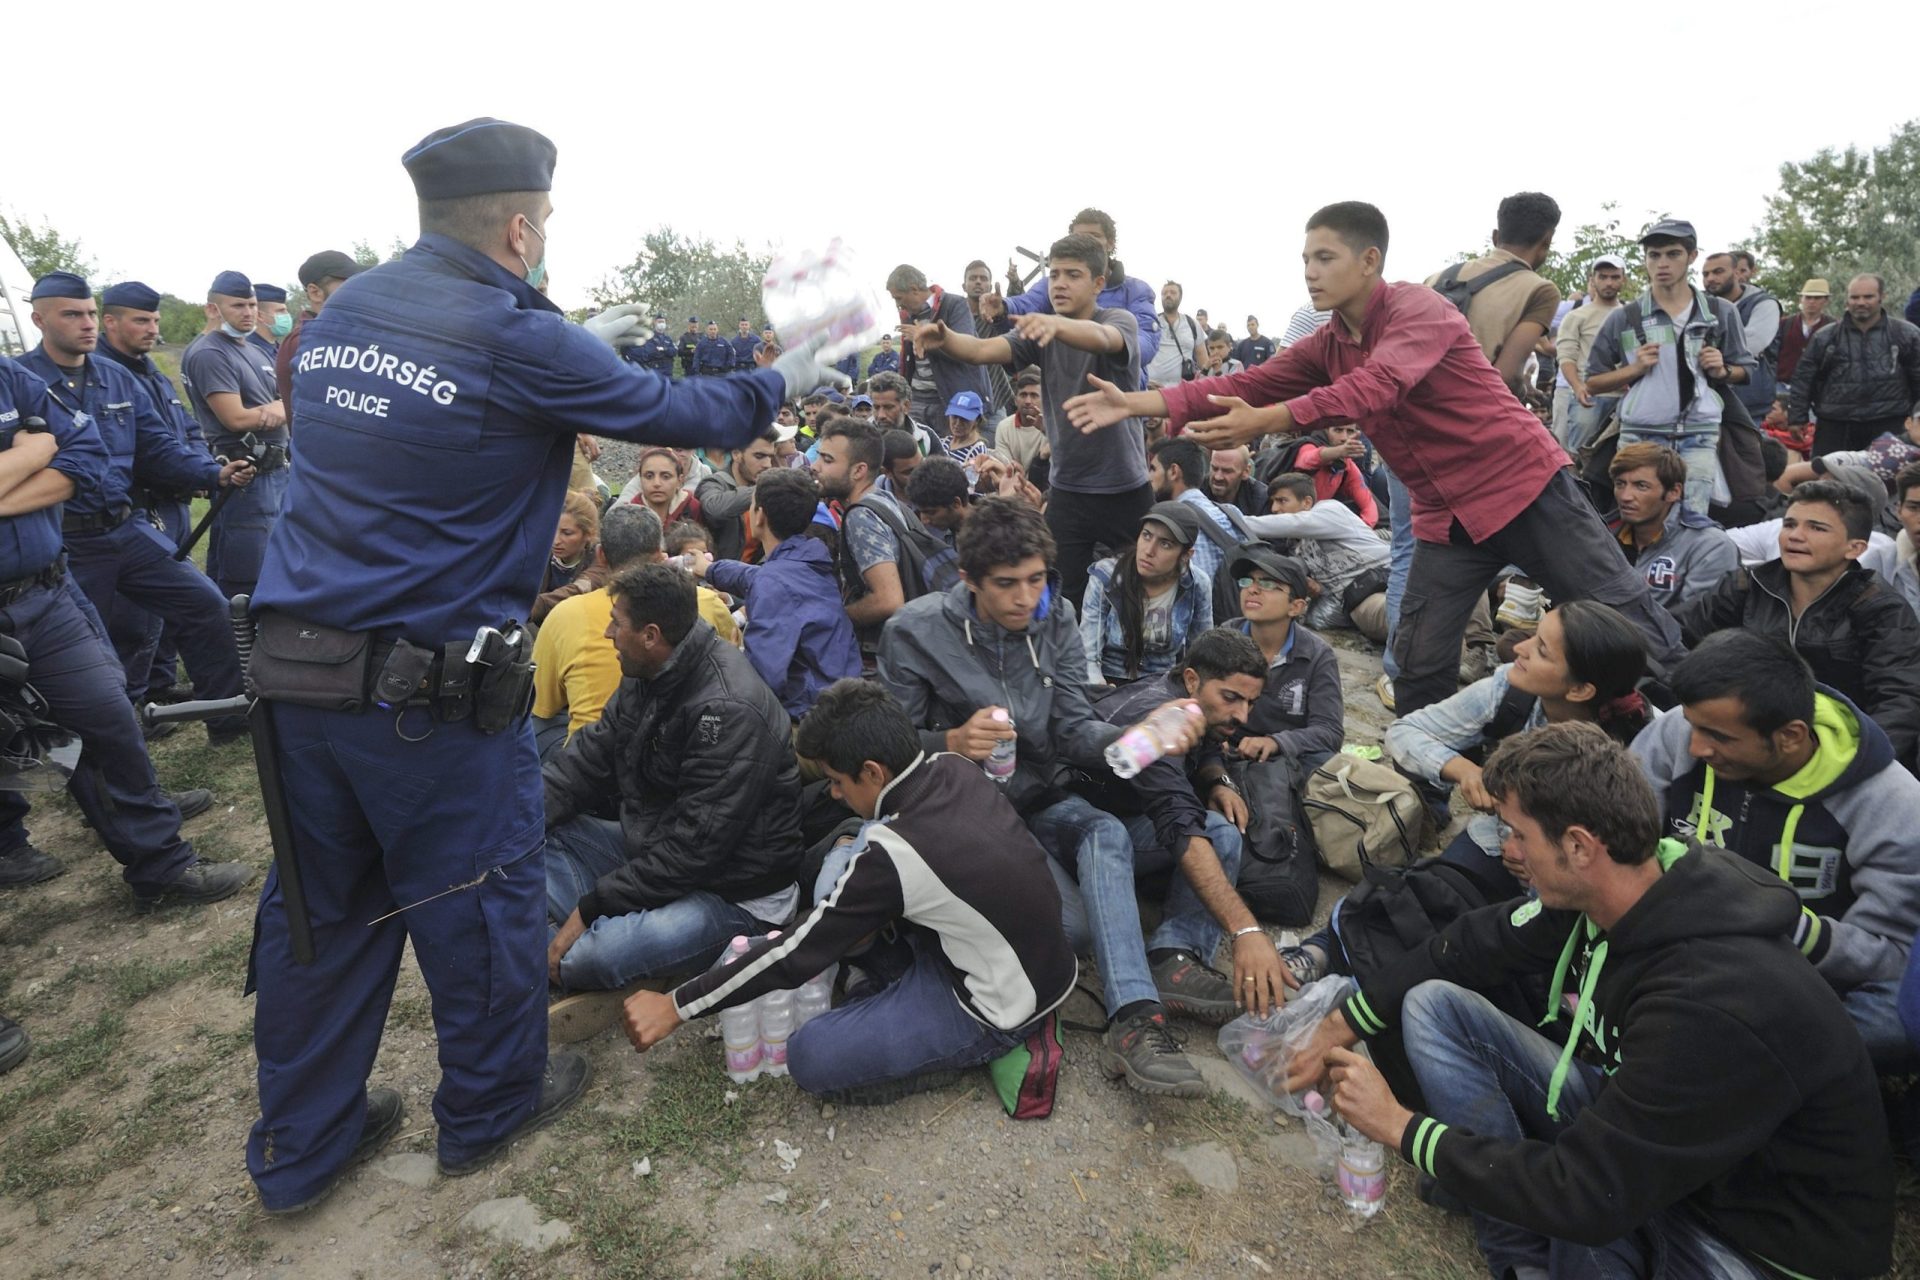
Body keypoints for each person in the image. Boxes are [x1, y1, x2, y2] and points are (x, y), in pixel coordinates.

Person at [244, 117, 845, 1211]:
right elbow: (682, 414)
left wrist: (579, 328)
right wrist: (782, 375)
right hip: (427, 702)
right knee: (479, 895)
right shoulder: (510, 333)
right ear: (521, 226)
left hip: (295, 679)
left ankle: (301, 1141)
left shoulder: (344, 315)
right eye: (547, 227)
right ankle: (488, 1104)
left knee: (319, 916)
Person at [1281, 722, 1894, 1280]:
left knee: (1583, 1216)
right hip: (1657, 1158)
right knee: (1435, 1007)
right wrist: (1340, 1022)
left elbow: (1589, 1194)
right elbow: (1467, 944)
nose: (1505, 850)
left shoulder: (1708, 999)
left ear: (1579, 845)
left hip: (1756, 1238)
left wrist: (1401, 1127)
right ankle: (1520, 1257)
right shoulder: (1618, 890)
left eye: (1517, 835)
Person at [1064, 200, 1686, 719]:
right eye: (1305, 259)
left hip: (1521, 486)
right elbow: (1255, 382)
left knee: (1624, 621)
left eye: (1325, 257)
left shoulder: (1418, 307)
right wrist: (1136, 400)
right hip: (1446, 517)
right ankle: (1433, 781)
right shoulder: (1330, 341)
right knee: (1418, 663)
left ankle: (1704, 721)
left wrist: (1273, 420)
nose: (1310, 271)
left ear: (1370, 261)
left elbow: (1378, 385)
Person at [876, 497, 1217, 1095]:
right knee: (1076, 930)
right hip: (964, 813)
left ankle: (1135, 1020)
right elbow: (886, 753)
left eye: (1035, 580)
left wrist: (1140, 735)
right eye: (1005, 584)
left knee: (1110, 830)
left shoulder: (1054, 616)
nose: (1022, 598)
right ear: (968, 580)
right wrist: (950, 739)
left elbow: (1072, 731)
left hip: (1040, 796)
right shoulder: (915, 630)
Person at [619, 679, 1078, 1104]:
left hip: (997, 1006)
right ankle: (890, 992)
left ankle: (953, 1056)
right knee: (858, 923)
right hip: (1039, 961)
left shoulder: (896, 853)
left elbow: (795, 953)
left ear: (874, 773)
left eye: (837, 781)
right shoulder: (952, 766)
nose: (834, 793)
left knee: (811, 1056)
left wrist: (674, 1005)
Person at [0, 355, 252, 904]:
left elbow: (85, 456)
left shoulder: (8, 376)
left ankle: (160, 867)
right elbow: (59, 449)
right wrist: (33, 450)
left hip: (46, 587)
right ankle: (8, 840)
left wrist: (40, 454)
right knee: (12, 738)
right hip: (59, 564)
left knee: (103, 715)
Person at [1633, 630, 1920, 1069]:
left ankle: (1737, 1060)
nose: (1694, 747)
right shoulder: (1681, 730)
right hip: (1676, 953)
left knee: (1894, 1019)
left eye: (1718, 737)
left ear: (1789, 736)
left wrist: (1786, 927)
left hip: (1809, 986)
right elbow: (1620, 833)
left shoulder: (1892, 802)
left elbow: (1891, 955)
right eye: (1692, 726)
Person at [543, 564, 804, 1034]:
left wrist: (592, 906)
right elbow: (587, 759)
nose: (607, 633)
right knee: (526, 835)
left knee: (588, 955)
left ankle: (565, 936)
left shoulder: (726, 708)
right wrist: (518, 819)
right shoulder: (646, 672)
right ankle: (558, 935)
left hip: (734, 892)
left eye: (615, 623)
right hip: (658, 853)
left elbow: (695, 850)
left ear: (650, 634)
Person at [19, 275, 254, 738]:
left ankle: (228, 720)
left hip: (124, 530)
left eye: (89, 313)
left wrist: (213, 473)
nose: (86, 324)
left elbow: (156, 446)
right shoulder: (20, 383)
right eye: (72, 314)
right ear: (38, 319)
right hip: (66, 541)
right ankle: (110, 764)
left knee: (208, 606)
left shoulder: (117, 377)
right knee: (94, 658)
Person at [909, 234, 1152, 609]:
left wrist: (1057, 326)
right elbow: (981, 350)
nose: (1060, 283)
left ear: (1098, 283)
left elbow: (1105, 338)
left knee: (1138, 592)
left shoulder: (1116, 319)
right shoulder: (1041, 330)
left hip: (1124, 487)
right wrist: (947, 337)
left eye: (1073, 274)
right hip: (1068, 489)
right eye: (1054, 274)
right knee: (1057, 596)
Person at [1674, 478, 1920, 764]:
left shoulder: (1880, 608)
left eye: (1816, 528)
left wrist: (1855, 764)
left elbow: (1899, 700)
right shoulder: (1746, 585)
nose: (1795, 536)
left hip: (1837, 753)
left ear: (1854, 548)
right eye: (1789, 524)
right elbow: (1676, 640)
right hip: (1739, 740)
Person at [93, 279, 230, 705]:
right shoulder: (102, 376)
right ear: (110, 321)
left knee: (171, 613)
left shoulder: (151, 372)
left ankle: (162, 690)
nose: (152, 328)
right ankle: (134, 701)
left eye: (154, 319)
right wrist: (210, 475)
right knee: (135, 622)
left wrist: (205, 466)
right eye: (141, 320)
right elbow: (151, 453)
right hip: (134, 508)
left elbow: (184, 430)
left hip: (171, 503)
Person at [1584, 220, 1755, 517]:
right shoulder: (1624, 317)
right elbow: (1593, 382)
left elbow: (1746, 371)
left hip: (1699, 434)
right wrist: (1634, 369)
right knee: (1634, 521)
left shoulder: (1719, 312)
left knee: (1692, 521)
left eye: (1673, 254)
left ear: (1691, 256)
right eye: (1654, 255)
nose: (1662, 263)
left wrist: (1723, 371)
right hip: (1639, 434)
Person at [686, 467, 860, 719]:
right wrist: (710, 569)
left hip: (811, 719)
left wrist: (731, 657)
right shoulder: (809, 562)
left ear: (759, 516)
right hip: (842, 698)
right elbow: (756, 576)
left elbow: (764, 678)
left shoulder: (774, 584)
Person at [178, 269, 290, 600]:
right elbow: (236, 418)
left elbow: (279, 403)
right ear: (213, 309)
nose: (248, 313)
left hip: (273, 471)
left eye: (253, 305)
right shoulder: (211, 352)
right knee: (244, 578)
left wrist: (280, 407)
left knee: (270, 565)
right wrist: (286, 406)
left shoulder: (250, 349)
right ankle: (238, 646)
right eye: (238, 305)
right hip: (246, 475)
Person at [530, 504, 662, 758]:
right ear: (659, 555)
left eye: (567, 533)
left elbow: (542, 705)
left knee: (533, 721)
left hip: (592, 760)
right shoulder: (707, 604)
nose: (557, 541)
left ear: (599, 554)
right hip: (675, 753)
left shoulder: (568, 613)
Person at [980, 207, 1161, 377]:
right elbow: (1025, 305)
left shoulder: (1136, 290)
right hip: (1065, 399)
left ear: (1111, 243)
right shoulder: (1050, 285)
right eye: (1080, 236)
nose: (1087, 242)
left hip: (1122, 399)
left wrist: (1113, 344)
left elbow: (1146, 342)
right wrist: (1003, 308)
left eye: (1094, 236)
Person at [1424, 191, 1563, 396]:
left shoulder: (1436, 278)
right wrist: (1524, 391)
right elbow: (1506, 377)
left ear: (1495, 236)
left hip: (1407, 409)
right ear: (1546, 241)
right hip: (1465, 412)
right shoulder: (1541, 291)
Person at [1218, 549, 1344, 773]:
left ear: (1296, 607)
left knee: (1326, 763)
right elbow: (1195, 697)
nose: (1253, 590)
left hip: (1289, 756)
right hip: (1230, 748)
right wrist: (1213, 736)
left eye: (1267, 584)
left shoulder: (1316, 655)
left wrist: (1276, 743)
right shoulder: (1225, 637)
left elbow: (1329, 731)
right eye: (1247, 581)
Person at [1080, 502, 1214, 686]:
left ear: (1186, 555)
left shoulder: (1197, 584)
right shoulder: (1106, 576)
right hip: (1109, 683)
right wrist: (1099, 688)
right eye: (1146, 535)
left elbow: (1201, 655)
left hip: (1164, 685)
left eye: (1165, 544)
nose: (1149, 551)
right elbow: (1088, 655)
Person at [1242, 471, 1389, 635]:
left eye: (1282, 500)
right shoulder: (1296, 546)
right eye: (1273, 502)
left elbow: (1295, 523)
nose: (1275, 509)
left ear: (1306, 502)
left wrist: (1232, 520)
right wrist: (1319, 589)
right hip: (1363, 598)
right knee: (1388, 616)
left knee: (1405, 609)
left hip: (1393, 575)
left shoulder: (1329, 510)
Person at [1789, 273, 1920, 457]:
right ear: (1847, 299)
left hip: (1890, 422)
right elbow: (1803, 378)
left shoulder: (1906, 334)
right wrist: (1797, 417)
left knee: (1890, 484)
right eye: (1855, 297)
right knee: (1828, 482)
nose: (1860, 302)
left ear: (1882, 297)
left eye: (1868, 297)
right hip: (1835, 424)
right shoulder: (1826, 336)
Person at [817, 419, 918, 656]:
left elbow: (889, 600)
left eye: (827, 460)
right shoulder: (885, 499)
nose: (815, 466)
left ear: (859, 470)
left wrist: (837, 619)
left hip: (884, 655)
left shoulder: (861, 516)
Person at [1606, 442, 1739, 611]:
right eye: (1620, 484)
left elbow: (1697, 621)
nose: (1626, 496)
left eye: (1641, 486)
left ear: (1674, 492)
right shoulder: (1601, 536)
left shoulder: (1710, 546)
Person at [887, 264, 990, 430]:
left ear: (914, 290)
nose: (898, 305)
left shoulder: (955, 305)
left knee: (948, 453)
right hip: (917, 401)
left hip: (949, 400)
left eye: (899, 298)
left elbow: (966, 351)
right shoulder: (907, 316)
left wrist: (925, 341)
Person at [1550, 255, 1625, 452]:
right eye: (1603, 277)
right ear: (1593, 280)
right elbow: (1566, 356)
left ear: (1623, 279)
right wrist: (1577, 387)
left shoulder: (1631, 314)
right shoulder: (1576, 316)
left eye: (1614, 277)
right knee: (1579, 456)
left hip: (1625, 397)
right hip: (1588, 395)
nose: (1609, 282)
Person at [275, 251, 364, 408]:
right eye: (349, 283)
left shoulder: (334, 333)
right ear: (315, 292)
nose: (358, 289)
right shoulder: (303, 342)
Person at [1703, 250, 1784, 422]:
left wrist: (1707, 353)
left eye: (1718, 272)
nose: (1710, 278)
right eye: (1706, 274)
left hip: (1750, 403)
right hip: (1706, 402)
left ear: (1737, 273)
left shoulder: (1764, 304)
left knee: (1746, 448)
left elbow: (1752, 344)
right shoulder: (1699, 305)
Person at [695, 426, 779, 561]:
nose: (767, 464)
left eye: (770, 457)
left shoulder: (767, 490)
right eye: (759, 456)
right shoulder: (714, 483)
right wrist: (765, 488)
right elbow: (714, 509)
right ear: (736, 454)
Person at [1283, 421, 1379, 526]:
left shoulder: (1348, 465)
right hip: (1286, 519)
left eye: (1350, 431)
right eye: (1338, 430)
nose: (1344, 437)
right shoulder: (1308, 447)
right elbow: (1309, 459)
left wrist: (1363, 529)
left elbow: (1368, 505)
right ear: (1326, 431)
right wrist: (1338, 451)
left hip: (1318, 520)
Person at [533, 490, 603, 623]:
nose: (556, 541)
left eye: (567, 533)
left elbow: (578, 589)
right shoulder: (540, 549)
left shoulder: (599, 558)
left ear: (588, 534)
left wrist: (534, 606)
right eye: (552, 530)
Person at [618, 446, 702, 528]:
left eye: (666, 476)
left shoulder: (692, 508)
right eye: (649, 476)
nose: (656, 483)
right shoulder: (630, 513)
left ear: (679, 481)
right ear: (640, 479)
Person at [1774, 278, 1832, 393]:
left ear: (1826, 301)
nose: (1812, 302)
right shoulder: (1784, 324)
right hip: (1783, 387)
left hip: (1819, 390)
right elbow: (1772, 356)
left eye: (1817, 298)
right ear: (1801, 299)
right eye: (1808, 297)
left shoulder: (1833, 327)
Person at [866, 370, 942, 457]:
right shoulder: (860, 438)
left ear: (906, 406)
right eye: (876, 407)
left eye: (888, 407)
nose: (881, 415)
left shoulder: (926, 437)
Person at [1147, 280, 1206, 387]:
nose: (1168, 295)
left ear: (1181, 297)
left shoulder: (1193, 324)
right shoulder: (1150, 322)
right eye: (1164, 293)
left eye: (1173, 292)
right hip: (1151, 388)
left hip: (1182, 391)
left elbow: (1204, 362)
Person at [995, 368, 1048, 478]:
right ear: (1015, 400)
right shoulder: (1004, 427)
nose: (1028, 401)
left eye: (1034, 395)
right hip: (1013, 484)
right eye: (1023, 395)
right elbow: (1006, 468)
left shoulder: (1051, 426)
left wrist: (1046, 431)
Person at [941, 390, 996, 471]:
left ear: (977, 420)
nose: (958, 423)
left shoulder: (977, 451)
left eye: (964, 419)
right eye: (954, 416)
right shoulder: (943, 442)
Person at [1208, 445, 1266, 517]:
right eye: (1214, 468)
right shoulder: (1197, 489)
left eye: (1227, 471)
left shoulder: (1261, 499)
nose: (1218, 477)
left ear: (1246, 472)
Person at [627, 313, 678, 378]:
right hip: (656, 370)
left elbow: (674, 352)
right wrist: (664, 352)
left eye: (663, 322)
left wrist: (664, 349)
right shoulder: (649, 337)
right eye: (659, 322)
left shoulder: (668, 339)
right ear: (655, 323)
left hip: (668, 371)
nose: (661, 323)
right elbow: (650, 352)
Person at [250, 283, 291, 357]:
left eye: (286, 310)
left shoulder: (282, 351)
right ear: (259, 315)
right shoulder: (248, 351)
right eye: (280, 311)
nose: (287, 315)